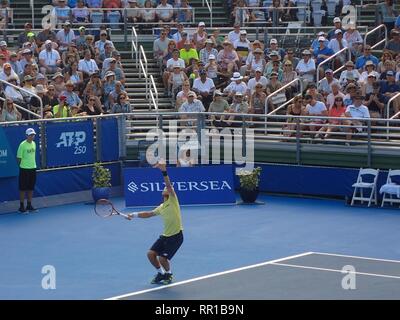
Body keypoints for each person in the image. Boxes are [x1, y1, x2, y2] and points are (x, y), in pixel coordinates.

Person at [127, 160, 184, 285]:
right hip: (165, 236)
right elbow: (148, 214)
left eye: (168, 188)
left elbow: (168, 185)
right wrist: (133, 215)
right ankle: (161, 274)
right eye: (165, 188)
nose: (167, 189)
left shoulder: (173, 201)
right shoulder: (162, 207)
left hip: (176, 236)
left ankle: (169, 275)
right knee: (151, 254)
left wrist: (163, 171)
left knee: (162, 258)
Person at [17, 128, 38, 213]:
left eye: (33, 135)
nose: (32, 136)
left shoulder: (34, 144)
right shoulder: (22, 145)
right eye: (30, 135)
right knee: (23, 188)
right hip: (24, 169)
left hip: (33, 168)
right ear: (26, 135)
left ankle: (29, 205)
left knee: (31, 188)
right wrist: (23, 166)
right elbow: (19, 158)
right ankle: (21, 207)